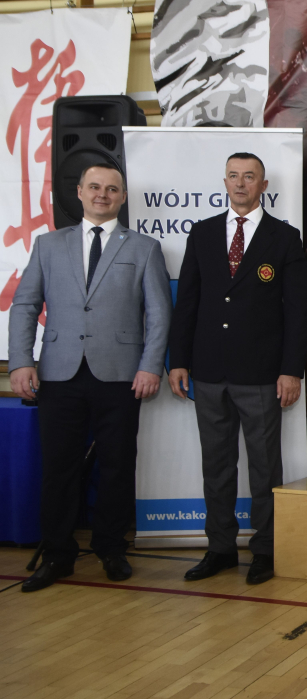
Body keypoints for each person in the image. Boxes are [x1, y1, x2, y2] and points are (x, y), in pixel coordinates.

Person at [9, 163, 172, 591]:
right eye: (95, 187)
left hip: (121, 375)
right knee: (58, 468)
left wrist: (150, 365)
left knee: (117, 466)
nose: (103, 194)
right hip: (58, 374)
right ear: (79, 191)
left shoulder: (144, 247)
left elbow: (159, 313)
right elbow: (25, 305)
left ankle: (111, 548)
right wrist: (21, 361)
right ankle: (57, 555)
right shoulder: (48, 244)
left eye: (112, 189)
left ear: (122, 197)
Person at [168, 152, 307, 585]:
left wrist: (291, 370)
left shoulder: (284, 237)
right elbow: (187, 302)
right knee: (216, 466)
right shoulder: (203, 232)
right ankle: (220, 548)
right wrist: (178, 360)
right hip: (208, 370)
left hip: (262, 373)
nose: (241, 183)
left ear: (263, 185)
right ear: (225, 181)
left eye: (250, 177)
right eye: (234, 176)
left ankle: (265, 549)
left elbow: (297, 311)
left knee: (265, 468)